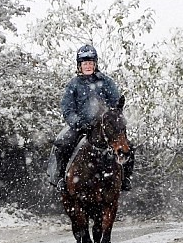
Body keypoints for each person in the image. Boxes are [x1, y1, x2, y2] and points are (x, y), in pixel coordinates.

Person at [49, 44, 134, 191]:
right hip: (80, 126)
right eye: (84, 63)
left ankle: (125, 178)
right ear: (79, 65)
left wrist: (112, 114)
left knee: (128, 147)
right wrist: (79, 123)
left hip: (104, 126)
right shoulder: (73, 84)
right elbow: (67, 109)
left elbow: (115, 103)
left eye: (90, 63)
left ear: (95, 64)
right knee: (62, 144)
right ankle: (61, 177)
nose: (88, 66)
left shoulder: (106, 82)